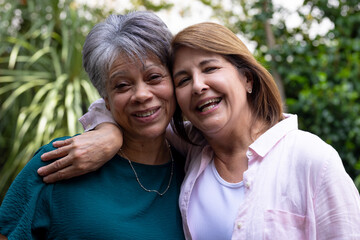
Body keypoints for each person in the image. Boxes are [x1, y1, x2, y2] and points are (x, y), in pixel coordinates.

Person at [38, 22, 360, 239]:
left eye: (209, 68)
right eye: (183, 79)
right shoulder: (191, 148)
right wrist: (110, 135)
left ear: (247, 78)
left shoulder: (311, 159)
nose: (199, 86)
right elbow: (127, 109)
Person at [0, 11, 186, 239]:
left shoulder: (196, 164)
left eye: (154, 77)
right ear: (105, 99)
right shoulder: (60, 159)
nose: (141, 95)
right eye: (122, 85)